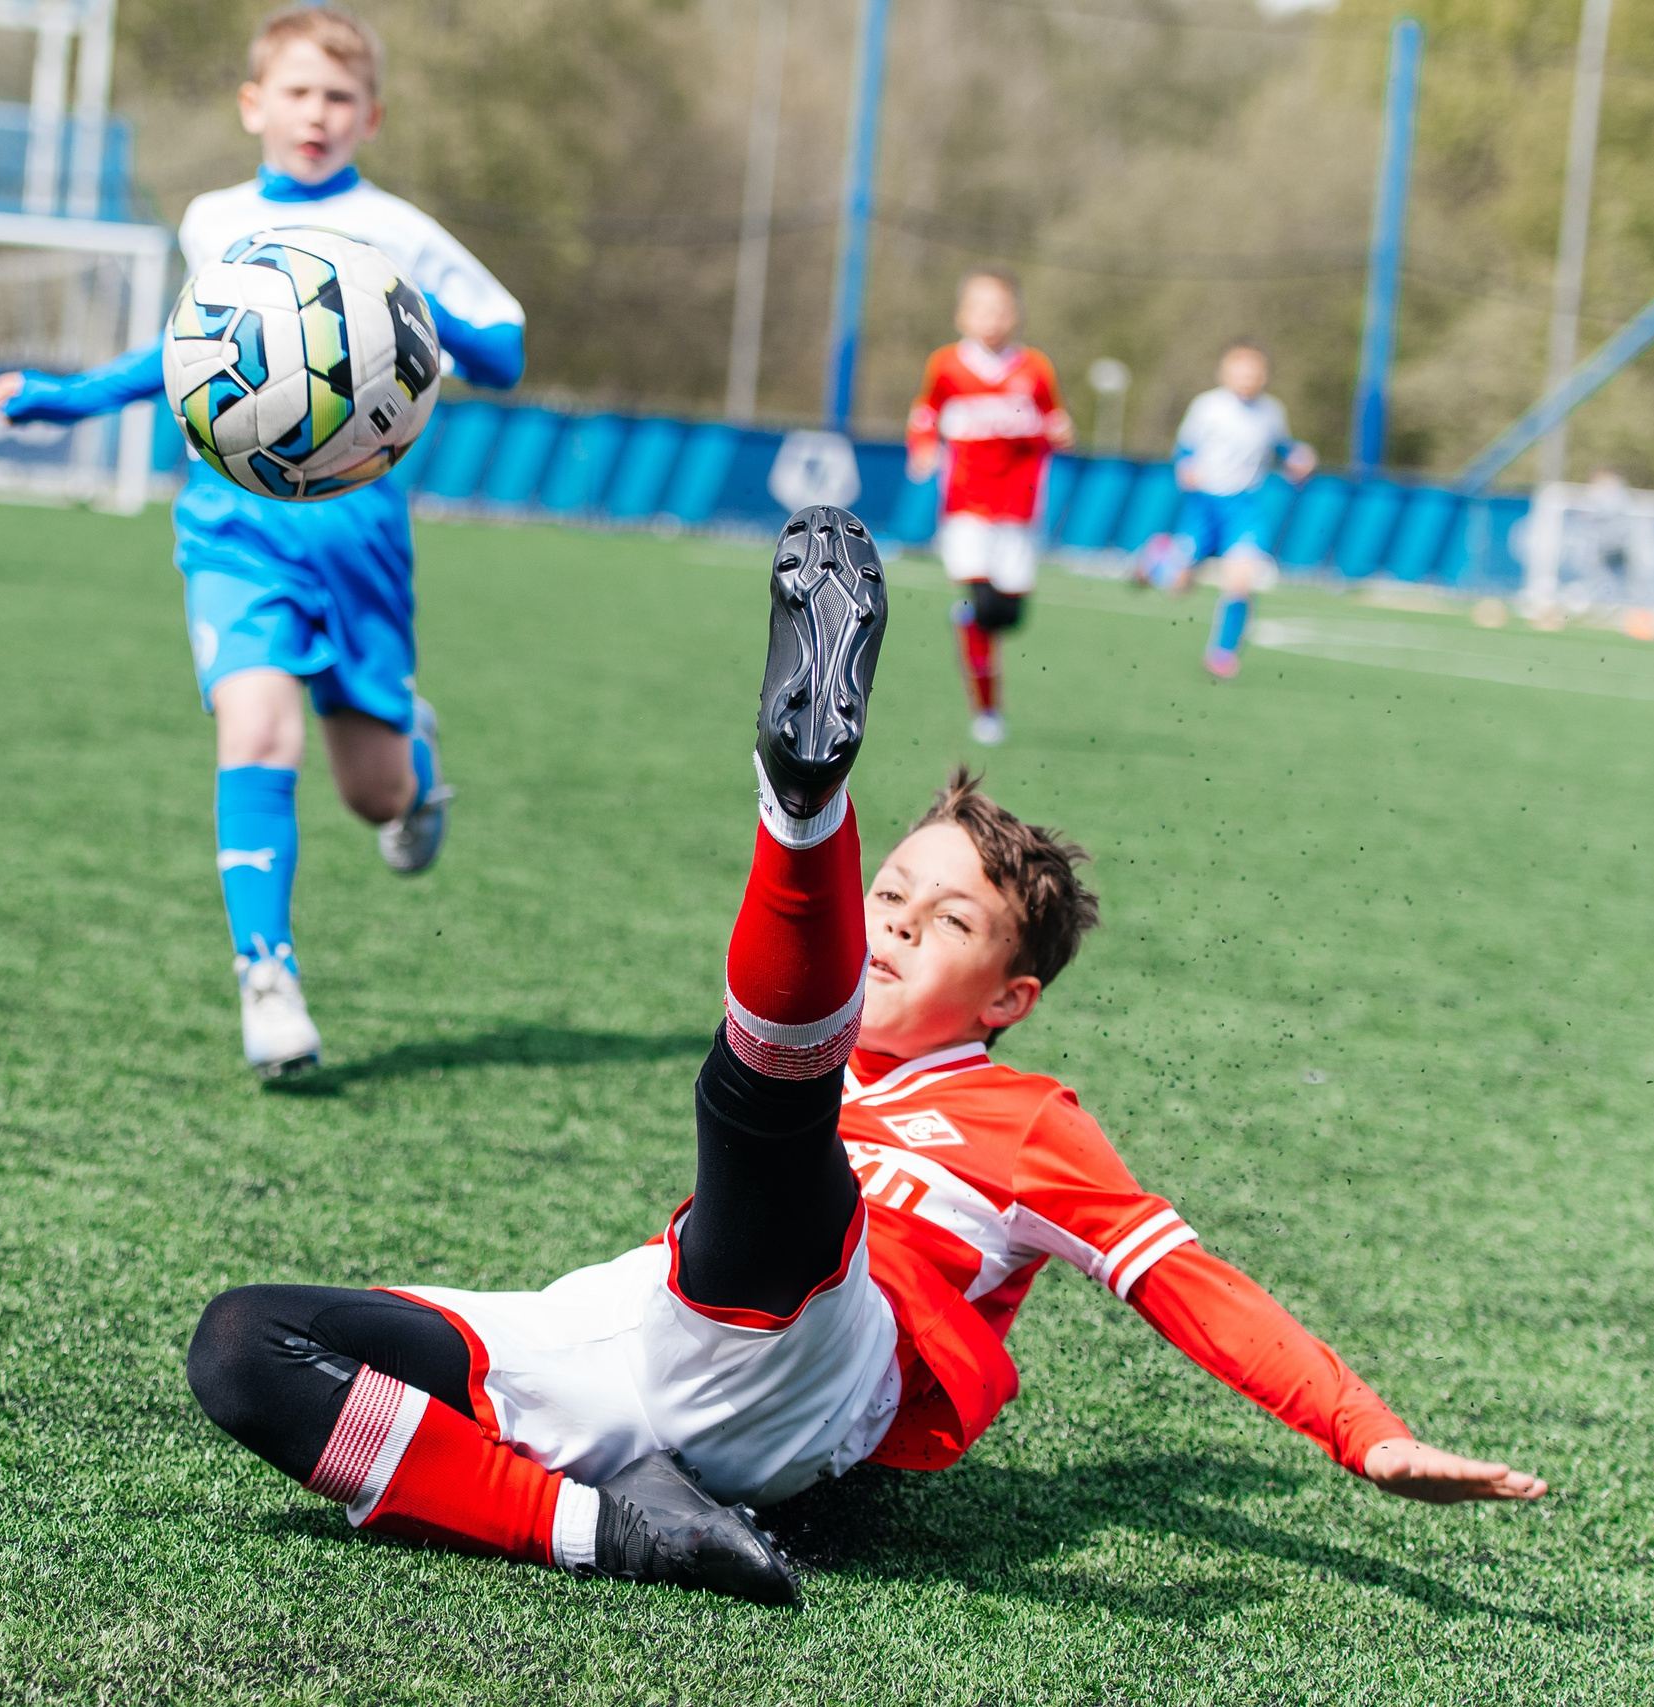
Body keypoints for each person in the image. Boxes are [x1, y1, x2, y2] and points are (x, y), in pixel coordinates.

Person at [183, 505, 1548, 1605]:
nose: (899, 922)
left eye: (943, 917)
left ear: (1008, 995)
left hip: (828, 1364)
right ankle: (620, 1529)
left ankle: (800, 802)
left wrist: (1360, 1427)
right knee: (245, 1344)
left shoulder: (1025, 1119)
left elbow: (1190, 1283)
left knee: (773, 1115)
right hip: (657, 1315)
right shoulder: (847, 1043)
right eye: (888, 892)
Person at [0, 5, 525, 1080]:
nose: (315, 114)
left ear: (368, 114)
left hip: (359, 537)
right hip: (236, 528)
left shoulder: (399, 230)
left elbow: (504, 352)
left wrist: (412, 309)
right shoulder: (213, 219)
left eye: (337, 97)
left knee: (371, 793)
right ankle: (266, 974)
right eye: (295, 92)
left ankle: (412, 760)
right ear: (253, 105)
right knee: (256, 730)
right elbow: (185, 353)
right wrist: (69, 399)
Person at [905, 270, 1073, 748]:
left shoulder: (1034, 368)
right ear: (962, 315)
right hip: (966, 503)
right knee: (981, 601)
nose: (992, 319)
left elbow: (1055, 421)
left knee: (1006, 614)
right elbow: (925, 415)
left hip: (1018, 507)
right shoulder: (948, 366)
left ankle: (971, 619)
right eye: (982, 308)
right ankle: (987, 710)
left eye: (1001, 309)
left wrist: (1058, 433)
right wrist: (922, 447)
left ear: (1015, 315)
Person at [1149, 342, 1315, 679]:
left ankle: (1223, 654)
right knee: (1178, 586)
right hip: (1204, 504)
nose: (1248, 378)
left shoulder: (1271, 411)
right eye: (1241, 370)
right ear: (1225, 372)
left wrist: (1299, 459)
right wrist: (1186, 467)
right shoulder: (1207, 407)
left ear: (1264, 375)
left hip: (1243, 507)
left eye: (1254, 372)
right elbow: (1184, 450)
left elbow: (1283, 447)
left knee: (1241, 581)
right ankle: (1155, 559)